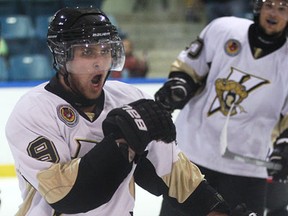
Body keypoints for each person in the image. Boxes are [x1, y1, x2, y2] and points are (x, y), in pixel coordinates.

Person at [5, 7, 254, 216]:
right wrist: (124, 140)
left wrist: (217, 210)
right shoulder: (33, 111)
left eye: (105, 50)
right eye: (87, 51)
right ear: (62, 57)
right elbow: (67, 197)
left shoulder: (129, 98)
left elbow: (173, 174)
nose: (100, 61)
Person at [155, 0, 288, 215]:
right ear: (258, 8)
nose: (273, 13)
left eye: (282, 9)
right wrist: (177, 88)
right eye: (269, 5)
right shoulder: (223, 29)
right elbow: (189, 69)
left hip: (248, 167)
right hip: (192, 155)